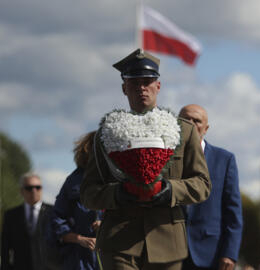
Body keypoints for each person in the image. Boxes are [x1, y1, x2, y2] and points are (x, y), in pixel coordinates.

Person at [80, 49, 211, 270]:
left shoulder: (184, 131)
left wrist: (170, 190)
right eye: (134, 83)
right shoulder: (107, 134)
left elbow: (203, 185)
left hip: (166, 240)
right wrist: (117, 194)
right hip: (119, 242)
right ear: (124, 88)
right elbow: (88, 193)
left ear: (158, 86)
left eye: (147, 81)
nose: (142, 88)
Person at [179, 104, 243, 270]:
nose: (191, 123)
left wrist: (230, 252)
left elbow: (233, 211)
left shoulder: (224, 159)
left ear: (206, 128)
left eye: (197, 120)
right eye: (185, 119)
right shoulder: (164, 158)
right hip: (171, 253)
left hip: (210, 255)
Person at [49, 131, 102, 269]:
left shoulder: (118, 179)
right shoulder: (73, 181)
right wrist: (80, 239)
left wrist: (108, 225)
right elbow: (57, 222)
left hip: (113, 256)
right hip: (79, 261)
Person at [1, 173, 53, 270]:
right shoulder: (11, 215)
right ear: (21, 191)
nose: (34, 191)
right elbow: (5, 248)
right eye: (29, 188)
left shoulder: (53, 213)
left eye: (38, 187)